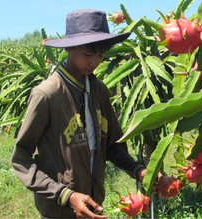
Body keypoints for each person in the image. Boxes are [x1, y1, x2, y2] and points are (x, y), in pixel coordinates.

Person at [11, 9, 148, 218]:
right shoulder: (47, 95)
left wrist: (138, 170)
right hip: (59, 211)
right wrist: (65, 195)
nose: (94, 62)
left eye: (100, 55)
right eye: (87, 54)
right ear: (70, 48)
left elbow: (112, 146)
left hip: (92, 206)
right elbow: (21, 158)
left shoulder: (99, 91)